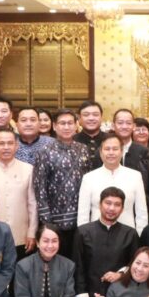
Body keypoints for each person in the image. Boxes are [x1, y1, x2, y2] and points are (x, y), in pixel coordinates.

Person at [73, 187, 139, 297]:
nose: (111, 208)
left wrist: (121, 274)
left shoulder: (130, 234)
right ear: (99, 204)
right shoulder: (83, 232)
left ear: (122, 209)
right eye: (108, 203)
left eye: (117, 204)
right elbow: (78, 270)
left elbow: (137, 266)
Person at [34, 109, 94, 257]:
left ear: (76, 125)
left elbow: (90, 181)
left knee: (79, 260)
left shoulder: (83, 150)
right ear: (54, 126)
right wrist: (47, 221)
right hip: (55, 221)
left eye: (70, 123)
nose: (66, 127)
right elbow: (40, 188)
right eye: (62, 123)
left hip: (81, 218)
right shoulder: (44, 151)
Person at [0, 128, 38, 263]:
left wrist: (32, 232)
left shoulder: (28, 169)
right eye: (1, 143)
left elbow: (32, 204)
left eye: (10, 143)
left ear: (16, 146)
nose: (6, 147)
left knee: (20, 273)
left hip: (21, 236)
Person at [77, 132, 147, 234]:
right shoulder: (89, 178)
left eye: (115, 149)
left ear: (121, 151)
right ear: (100, 152)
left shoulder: (135, 176)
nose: (111, 153)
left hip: (127, 236)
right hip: (95, 236)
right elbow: (83, 215)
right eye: (107, 149)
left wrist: (140, 236)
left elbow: (141, 213)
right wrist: (84, 237)